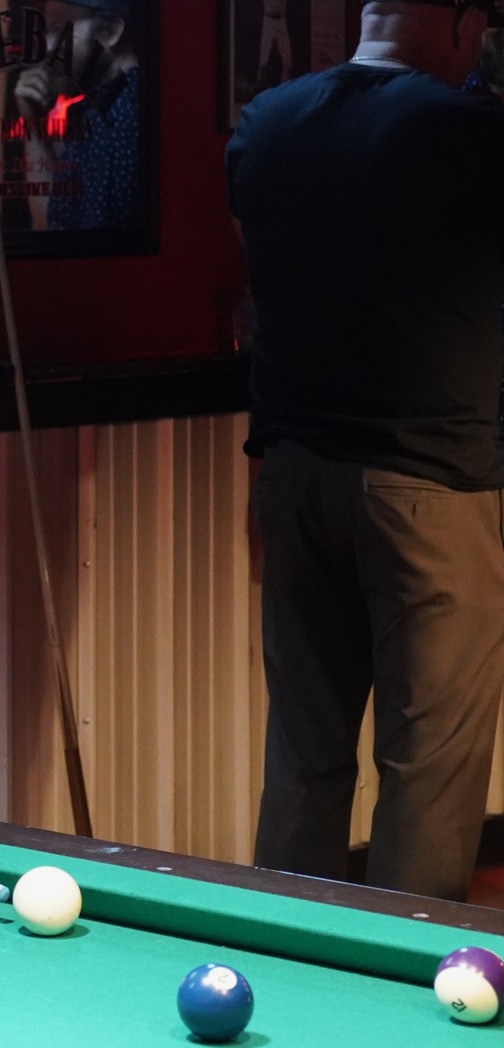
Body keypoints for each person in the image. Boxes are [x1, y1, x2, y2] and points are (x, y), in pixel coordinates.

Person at [226, 0, 504, 901]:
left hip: (294, 476)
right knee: (428, 771)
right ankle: (406, 971)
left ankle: (283, 952)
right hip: (432, 484)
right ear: (458, 22)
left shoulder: (266, 124)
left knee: (303, 752)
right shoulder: (471, 132)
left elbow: (264, 290)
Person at [11, 0, 143, 231]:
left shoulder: (118, 119)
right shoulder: (101, 110)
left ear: (110, 31)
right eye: (46, 31)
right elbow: (52, 222)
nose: (47, 46)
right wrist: (33, 126)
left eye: (60, 28)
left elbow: (73, 244)